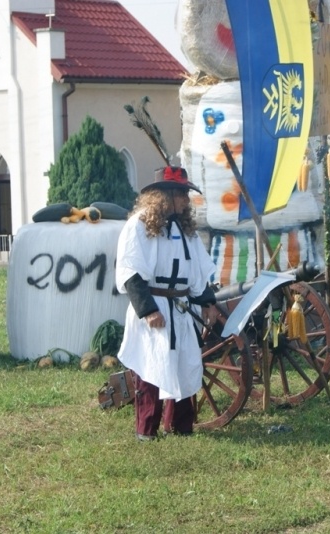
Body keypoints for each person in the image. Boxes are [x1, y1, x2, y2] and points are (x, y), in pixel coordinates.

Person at [115, 166, 219, 441]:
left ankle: (180, 427)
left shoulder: (186, 230)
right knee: (152, 368)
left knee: (184, 366)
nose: (187, 200)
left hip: (182, 308)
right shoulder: (138, 225)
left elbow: (197, 270)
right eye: (183, 194)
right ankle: (146, 430)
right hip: (155, 306)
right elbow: (130, 271)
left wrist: (207, 302)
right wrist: (148, 310)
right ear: (165, 196)